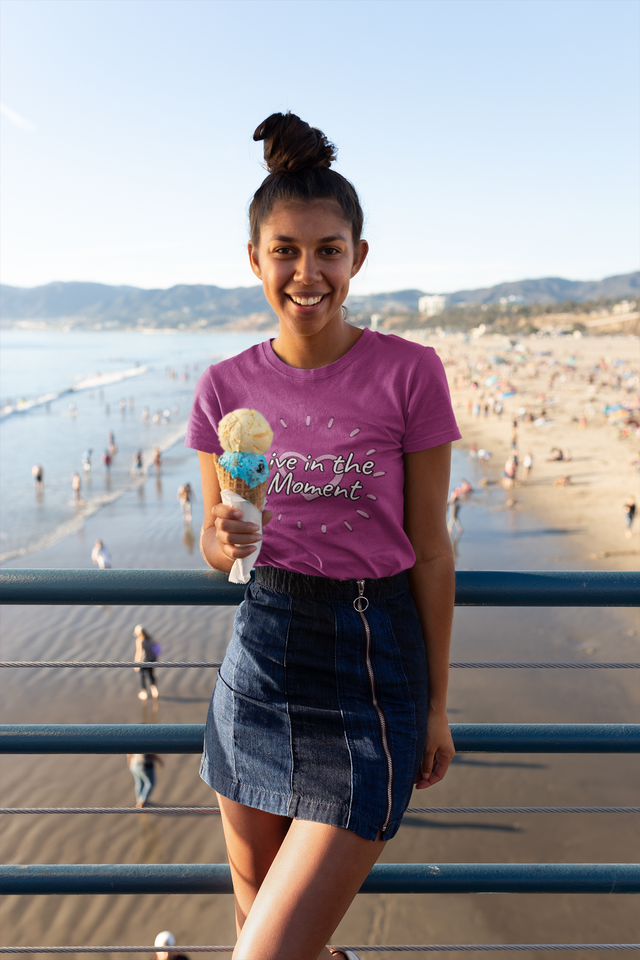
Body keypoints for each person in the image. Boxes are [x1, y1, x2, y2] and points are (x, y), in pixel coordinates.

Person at [185, 112, 460, 960]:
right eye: (286, 251)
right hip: (259, 660)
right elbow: (212, 545)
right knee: (265, 935)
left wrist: (439, 705)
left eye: (329, 250)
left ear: (358, 258)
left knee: (264, 952)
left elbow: (432, 546)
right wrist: (228, 540)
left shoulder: (409, 373)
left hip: (374, 663)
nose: (308, 273)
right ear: (255, 261)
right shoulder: (223, 387)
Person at [134, 624, 159, 700]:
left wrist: (136, 664)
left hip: (143, 662)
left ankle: (144, 692)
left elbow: (139, 652)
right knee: (151, 675)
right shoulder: (151, 638)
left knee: (143, 677)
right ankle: (154, 690)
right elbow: (156, 647)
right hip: (151, 660)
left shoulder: (140, 640)